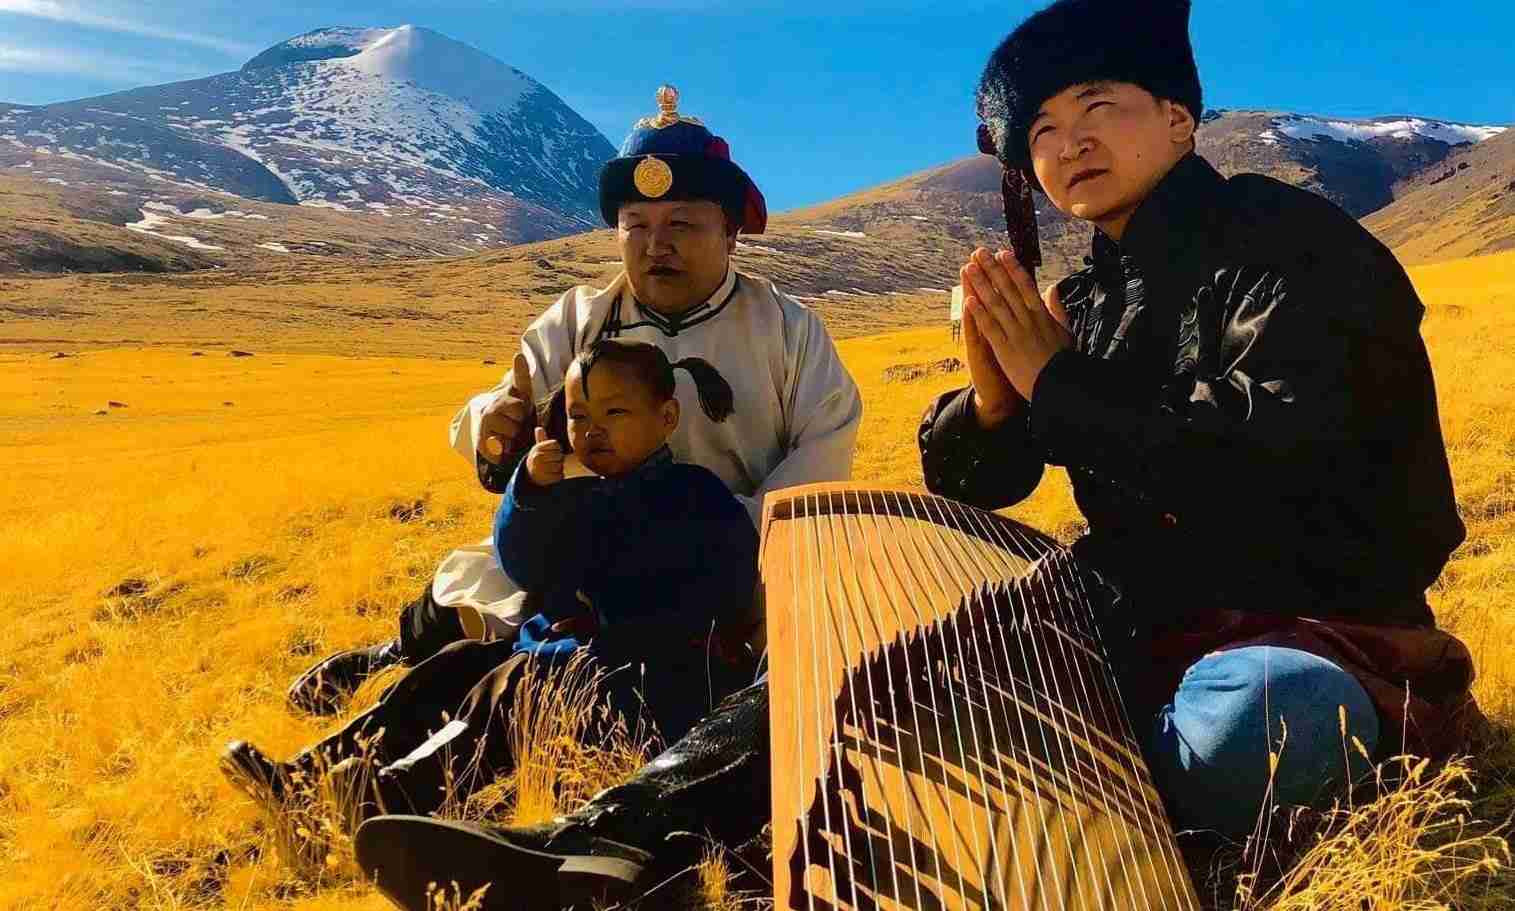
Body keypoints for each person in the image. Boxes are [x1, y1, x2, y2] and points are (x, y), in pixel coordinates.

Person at [351, 1, 1483, 906]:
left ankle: (1122, 787)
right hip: (1130, 612)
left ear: (1181, 121)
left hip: (1316, 617)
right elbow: (981, 481)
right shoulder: (1090, 292)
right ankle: (614, 841)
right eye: (1042, 131)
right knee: (875, 661)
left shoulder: (1293, 244)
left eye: (1099, 108)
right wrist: (991, 403)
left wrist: (1055, 383)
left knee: (1260, 726)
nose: (1070, 143)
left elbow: (1269, 469)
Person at [285, 86, 862, 716]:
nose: (656, 245)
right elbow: (495, 408)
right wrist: (495, 427)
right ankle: (399, 656)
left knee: (785, 631)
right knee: (485, 578)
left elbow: (822, 454)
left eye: (681, 225)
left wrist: (726, 539)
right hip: (591, 547)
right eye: (636, 226)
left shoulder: (788, 330)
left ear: (729, 232)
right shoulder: (579, 319)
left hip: (727, 553)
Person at [220, 339, 760, 835]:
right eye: (578, 416)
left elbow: (722, 592)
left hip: (641, 685)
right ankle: (308, 776)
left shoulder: (697, 497)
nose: (592, 430)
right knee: (455, 664)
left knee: (513, 689)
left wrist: (619, 619)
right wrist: (529, 493)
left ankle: (388, 794)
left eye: (614, 413)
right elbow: (523, 565)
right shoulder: (581, 495)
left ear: (667, 418)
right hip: (565, 658)